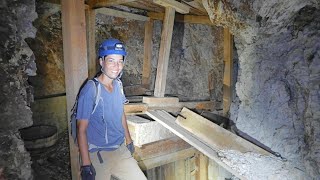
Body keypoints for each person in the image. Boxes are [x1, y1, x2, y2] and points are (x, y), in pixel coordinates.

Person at [76, 38, 147, 180]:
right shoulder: (91, 90)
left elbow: (121, 114)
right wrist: (86, 165)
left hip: (120, 150)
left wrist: (129, 140)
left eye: (120, 61)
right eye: (111, 61)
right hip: (98, 154)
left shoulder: (118, 86)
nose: (117, 66)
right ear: (101, 62)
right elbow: (81, 129)